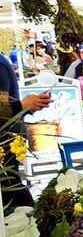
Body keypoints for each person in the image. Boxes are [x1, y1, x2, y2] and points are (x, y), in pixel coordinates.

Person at [0, 51, 50, 208]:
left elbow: (2, 106)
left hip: (7, 138)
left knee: (10, 191)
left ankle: (34, 225)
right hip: (11, 133)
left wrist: (22, 106)